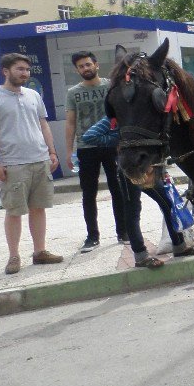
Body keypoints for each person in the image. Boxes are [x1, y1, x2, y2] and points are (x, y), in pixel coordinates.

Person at [82, 116, 194, 267]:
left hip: (149, 166)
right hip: (128, 169)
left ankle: (179, 246)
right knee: (133, 211)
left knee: (167, 203)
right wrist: (120, 139)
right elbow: (89, 136)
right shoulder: (117, 116)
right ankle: (141, 256)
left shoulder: (144, 113)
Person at [0, 53, 64, 275]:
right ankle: (14, 256)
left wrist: (52, 152)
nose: (25, 73)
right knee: (14, 211)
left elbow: (44, 125)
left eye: (27, 70)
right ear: (6, 71)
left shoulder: (33, 95)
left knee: (39, 207)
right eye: (20, 69)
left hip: (40, 160)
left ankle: (40, 251)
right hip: (12, 164)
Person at [65, 50, 128, 252]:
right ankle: (92, 236)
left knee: (118, 190)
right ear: (77, 70)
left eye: (88, 64)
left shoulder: (110, 85)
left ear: (96, 65)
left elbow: (122, 114)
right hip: (86, 148)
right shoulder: (73, 92)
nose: (85, 68)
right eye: (81, 66)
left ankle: (123, 232)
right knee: (88, 193)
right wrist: (68, 151)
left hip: (112, 145)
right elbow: (70, 122)